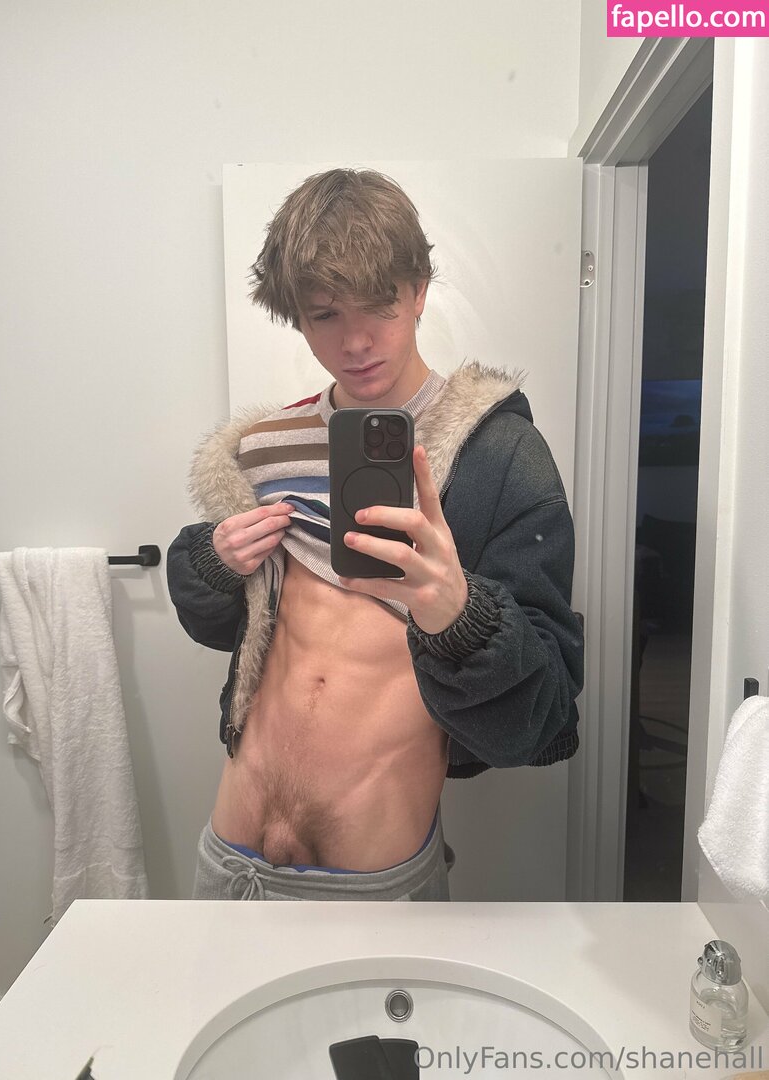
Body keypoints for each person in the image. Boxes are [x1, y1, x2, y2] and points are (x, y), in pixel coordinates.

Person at [166, 168, 584, 901]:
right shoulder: (267, 448)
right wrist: (213, 563)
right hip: (230, 859)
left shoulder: (499, 457)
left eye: (380, 305)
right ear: (296, 317)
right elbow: (225, 628)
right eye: (325, 315)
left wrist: (460, 616)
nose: (356, 341)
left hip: (375, 883)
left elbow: (543, 719)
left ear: (419, 290)